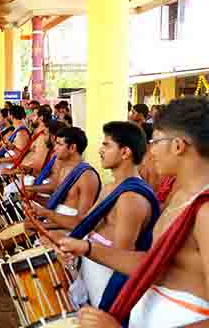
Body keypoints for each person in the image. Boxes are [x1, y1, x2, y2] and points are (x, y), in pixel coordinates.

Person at [59, 97, 209, 327]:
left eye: (155, 141)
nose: (150, 152)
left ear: (178, 145)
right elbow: (154, 265)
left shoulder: (206, 212)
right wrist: (87, 249)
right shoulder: (180, 197)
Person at [41, 122, 160, 311]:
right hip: (92, 270)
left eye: (107, 145)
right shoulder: (110, 188)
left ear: (125, 152)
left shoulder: (131, 198)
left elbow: (122, 259)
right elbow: (86, 224)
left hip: (106, 280)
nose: (100, 150)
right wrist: (66, 242)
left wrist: (83, 247)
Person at [26, 126, 101, 224]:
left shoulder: (87, 176)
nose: (55, 148)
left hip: (67, 231)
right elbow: (56, 196)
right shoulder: (64, 169)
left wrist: (44, 222)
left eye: (59, 144)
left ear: (72, 148)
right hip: (53, 220)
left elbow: (82, 222)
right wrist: (32, 196)